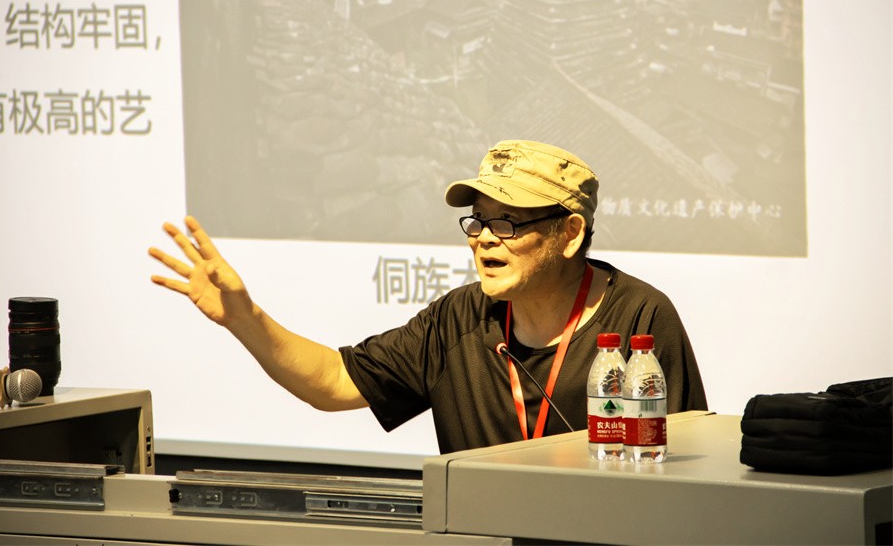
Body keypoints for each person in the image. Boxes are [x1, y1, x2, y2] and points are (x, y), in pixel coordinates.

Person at [149, 139, 707, 454]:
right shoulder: (459, 318)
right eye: (478, 221)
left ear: (570, 233)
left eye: (508, 223)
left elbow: (683, 472)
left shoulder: (640, 318)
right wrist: (244, 318)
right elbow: (333, 381)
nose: (484, 238)